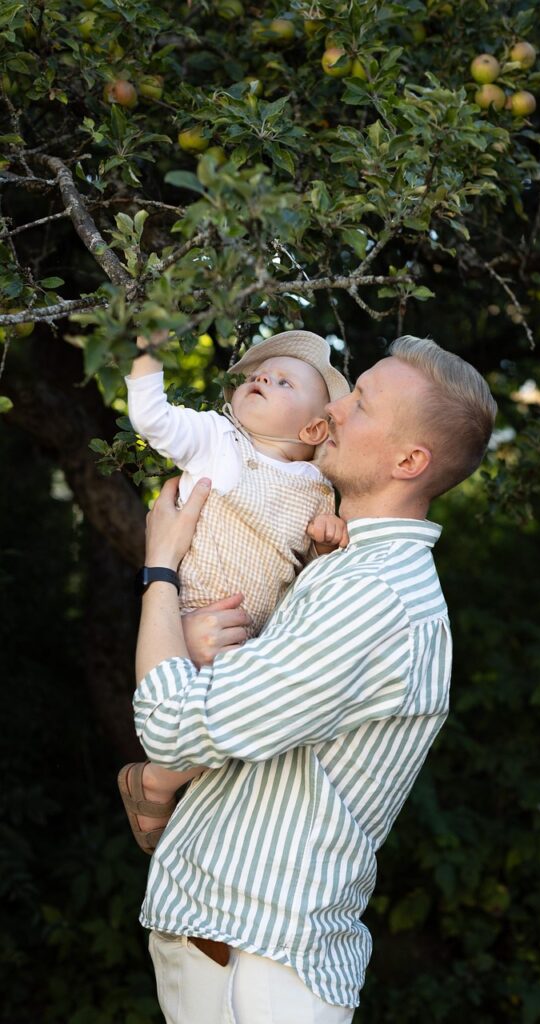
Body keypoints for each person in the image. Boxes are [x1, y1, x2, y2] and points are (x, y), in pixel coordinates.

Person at [132, 335, 497, 1024]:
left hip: (264, 971)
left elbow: (175, 726)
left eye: (360, 403)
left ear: (408, 460)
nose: (334, 407)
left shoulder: (374, 598)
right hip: (222, 946)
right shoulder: (337, 566)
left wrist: (162, 566)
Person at [119, 330, 350, 854]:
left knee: (248, 728)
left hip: (256, 637)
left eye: (283, 381)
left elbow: (306, 578)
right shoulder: (217, 440)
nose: (261, 377)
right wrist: (147, 353)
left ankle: (163, 786)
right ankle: (157, 781)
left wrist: (323, 545)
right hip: (194, 614)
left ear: (314, 427)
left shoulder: (318, 488)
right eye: (256, 375)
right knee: (220, 727)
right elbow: (154, 418)